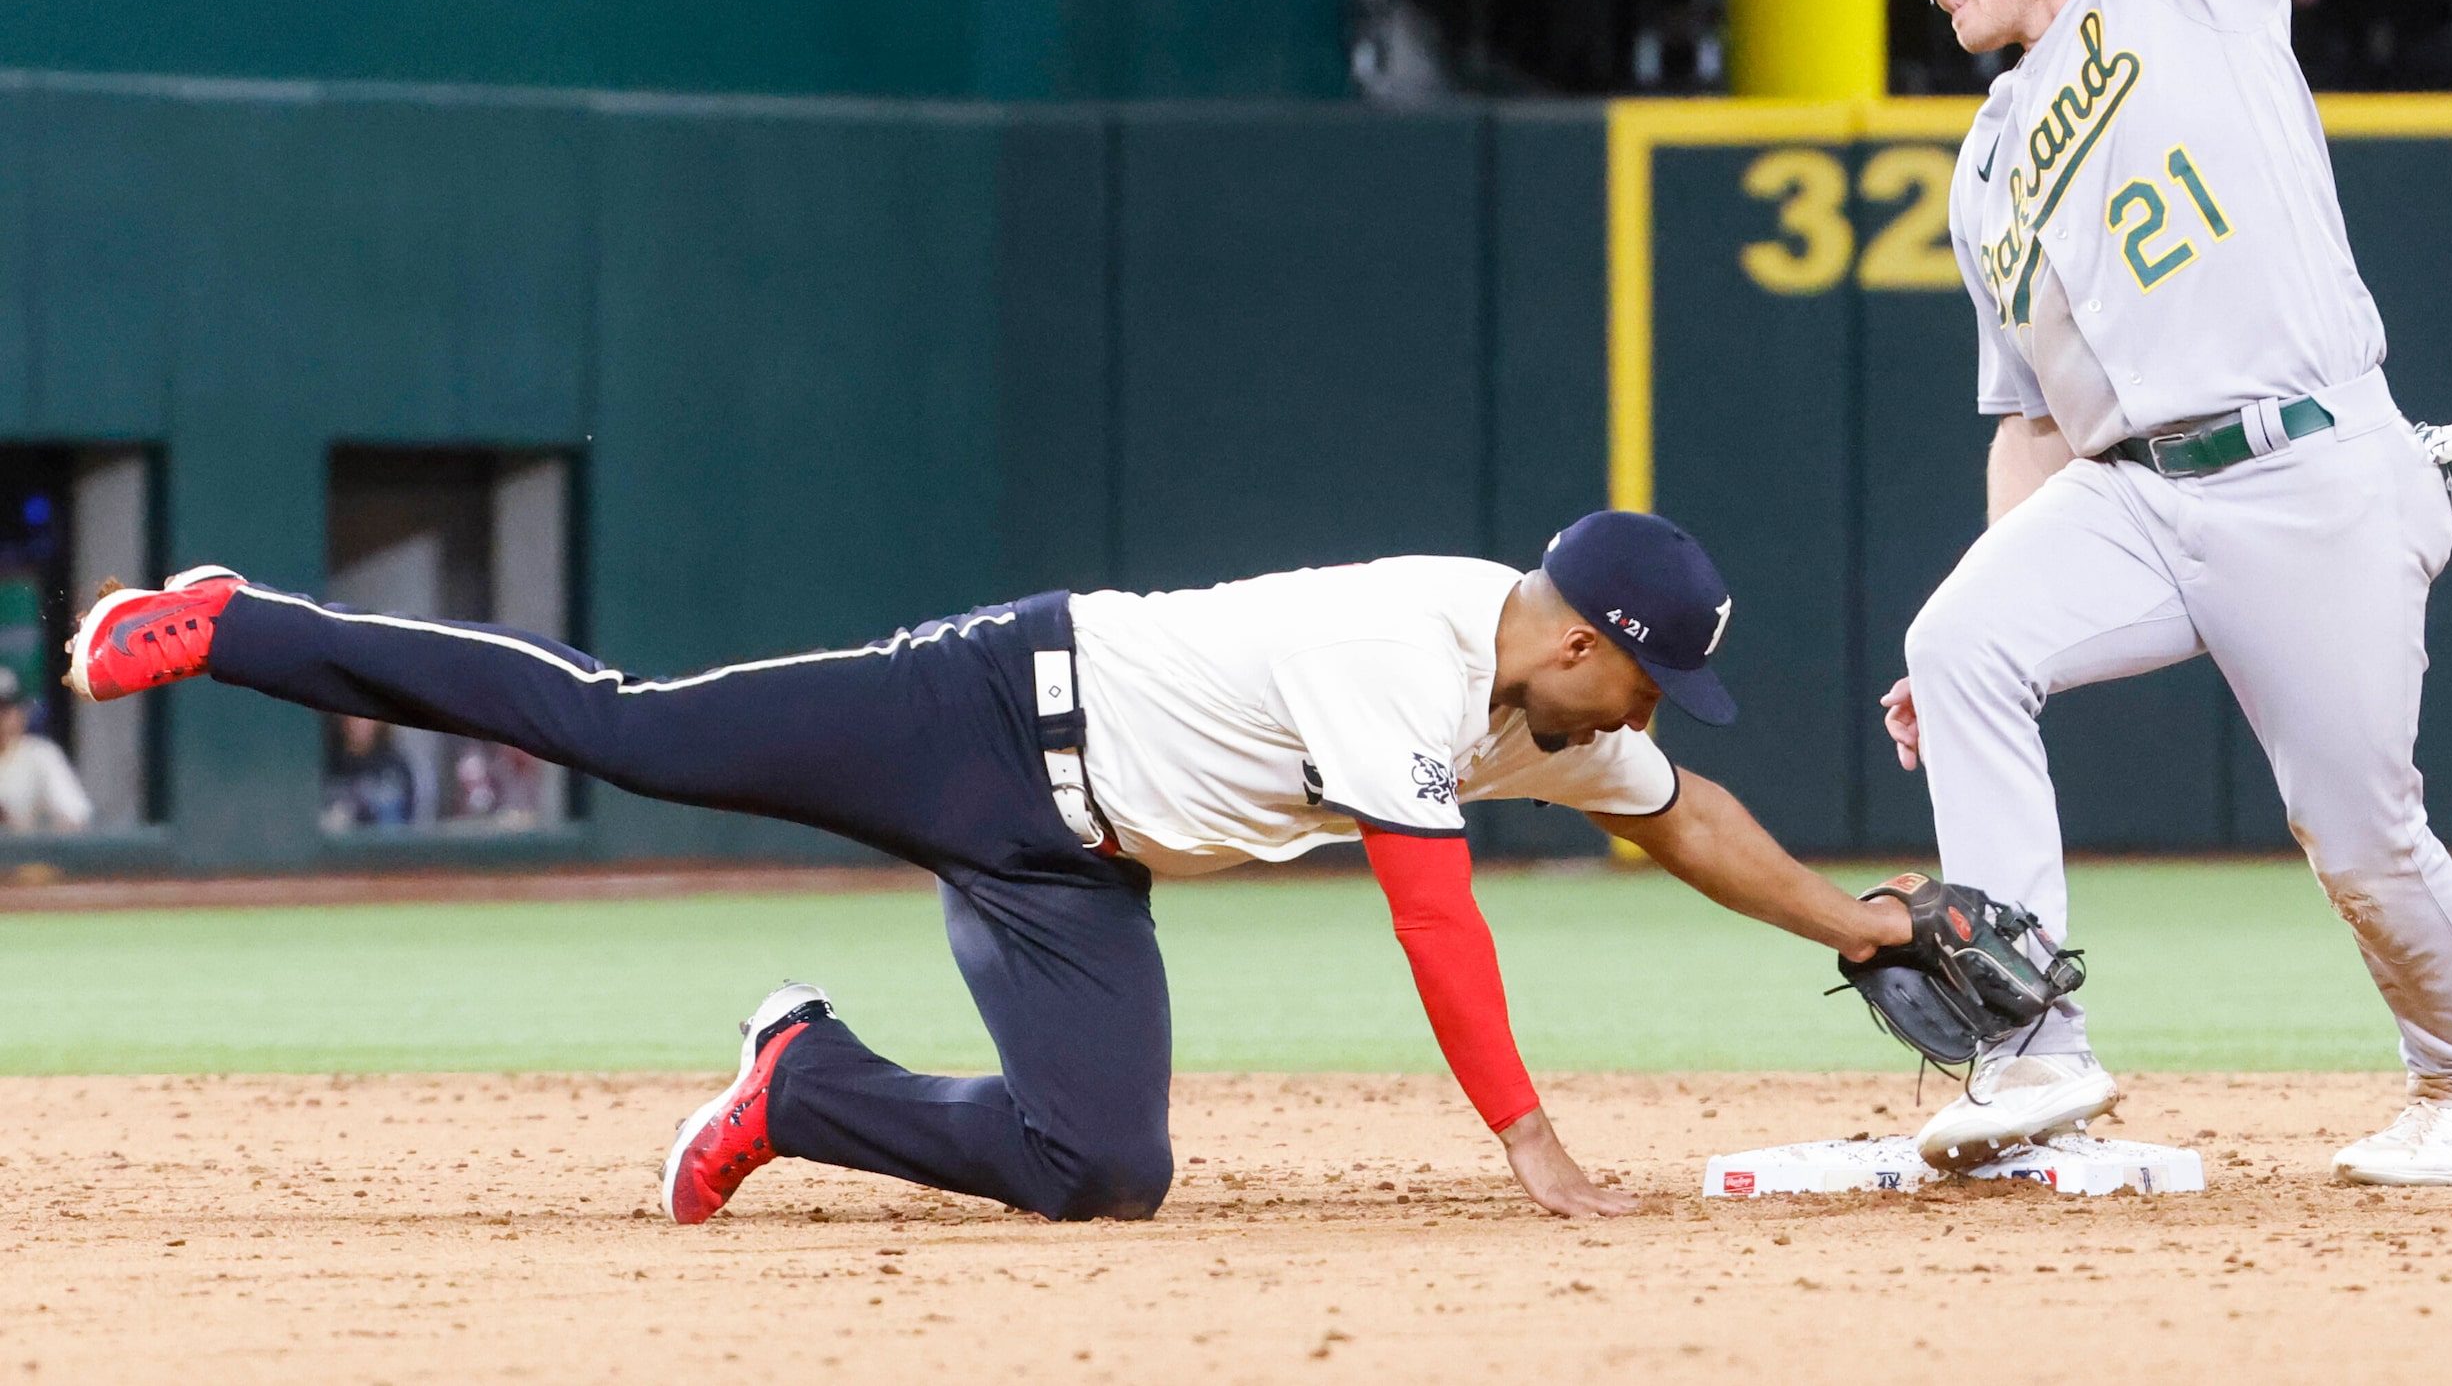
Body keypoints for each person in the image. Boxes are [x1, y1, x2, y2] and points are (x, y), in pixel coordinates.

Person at [67, 515, 1913, 1223]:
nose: (1644, 711)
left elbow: (1680, 813)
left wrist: (1861, 920)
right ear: (1585, 634)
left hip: (1074, 866)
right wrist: (1529, 1139)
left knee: (1099, 1166)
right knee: (627, 727)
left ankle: (804, 1085)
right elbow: (1432, 908)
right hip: (972, 709)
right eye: (1645, 673)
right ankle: (238, 622)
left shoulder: (1554, 710)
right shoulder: (1408, 643)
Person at [1842, 0, 2452, 1185]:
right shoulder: (1988, 158)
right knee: (1959, 646)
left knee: (2356, 829)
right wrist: (1989, 596)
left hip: (2310, 458)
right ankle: (2029, 1055)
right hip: (2140, 486)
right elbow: (2028, 416)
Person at [0, 669, 88, 832]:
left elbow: (75, 817)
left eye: (4, 710)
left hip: (25, 854)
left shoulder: (41, 755)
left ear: (20, 713)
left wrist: (31, 822)